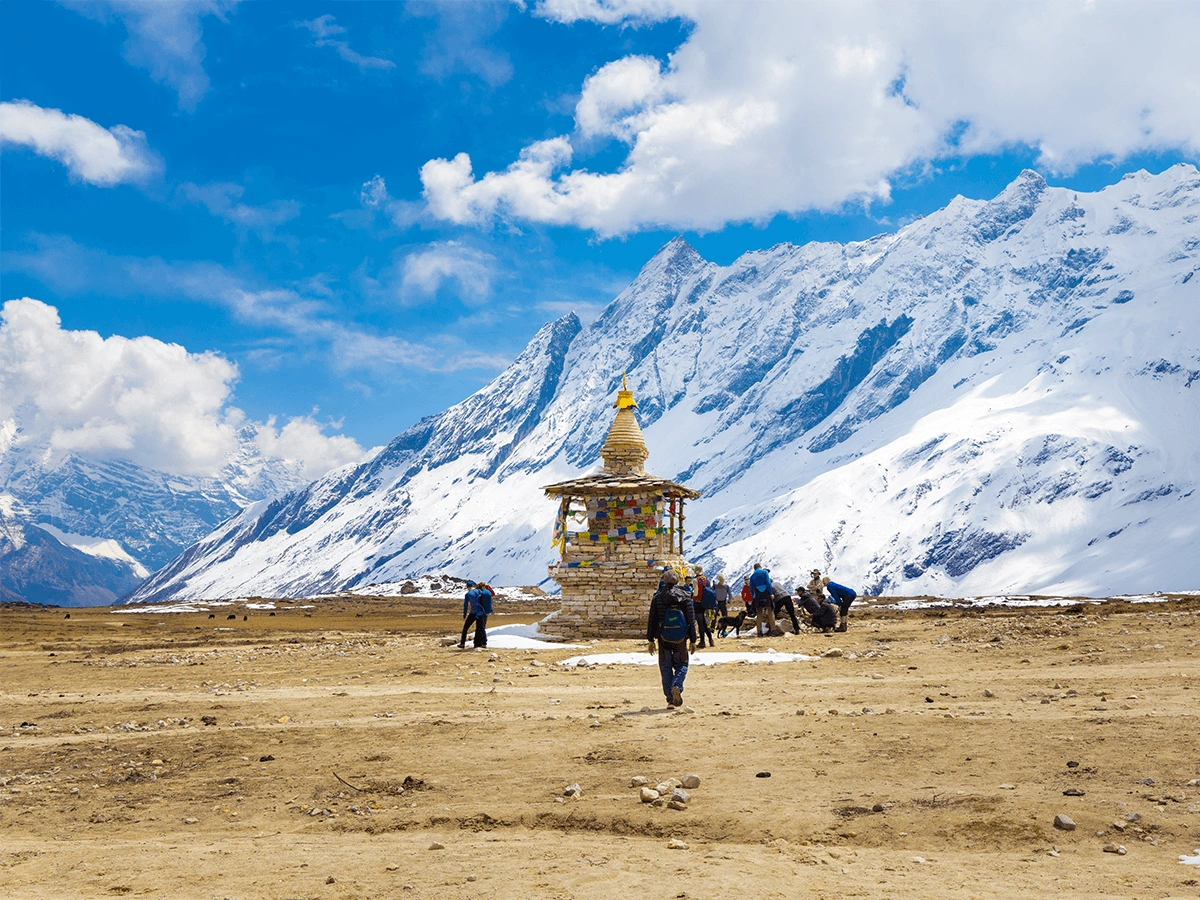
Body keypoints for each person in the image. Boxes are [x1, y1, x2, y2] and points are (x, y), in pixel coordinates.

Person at [647, 568, 697, 707]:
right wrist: (693, 640)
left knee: (665, 667)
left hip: (663, 638)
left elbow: (652, 620)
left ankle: (670, 699)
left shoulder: (658, 598)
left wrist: (650, 640)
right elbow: (691, 619)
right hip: (681, 638)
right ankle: (677, 685)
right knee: (682, 664)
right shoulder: (685, 596)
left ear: (664, 580)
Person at [458, 579, 492, 649]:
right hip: (481, 612)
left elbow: (465, 606)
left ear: (467, 587)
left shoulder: (467, 594)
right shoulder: (479, 591)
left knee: (465, 628)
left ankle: (462, 643)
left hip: (473, 613)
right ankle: (484, 643)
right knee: (481, 628)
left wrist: (464, 615)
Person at [748, 563, 779, 636]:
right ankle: (773, 630)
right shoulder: (765, 572)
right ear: (760, 567)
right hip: (766, 594)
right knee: (770, 612)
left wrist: (754, 595)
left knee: (759, 613)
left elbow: (751, 588)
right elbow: (768, 583)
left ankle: (759, 632)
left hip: (757, 595)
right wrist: (770, 593)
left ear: (754, 568)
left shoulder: (752, 576)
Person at [693, 565, 716, 648]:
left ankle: (702, 641)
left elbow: (695, 593)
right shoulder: (706, 579)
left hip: (698, 603)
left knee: (700, 623)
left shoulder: (696, 580)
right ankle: (710, 639)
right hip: (706, 603)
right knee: (706, 622)